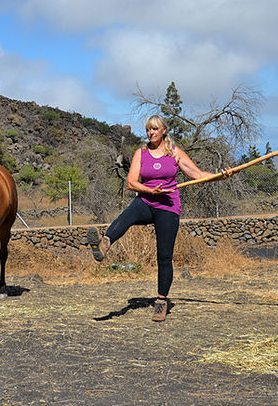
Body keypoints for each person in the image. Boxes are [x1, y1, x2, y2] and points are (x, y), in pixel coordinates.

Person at [86, 115, 233, 322]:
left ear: (164, 130)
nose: (150, 133)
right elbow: (130, 182)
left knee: (164, 256)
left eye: (154, 129)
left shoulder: (175, 153)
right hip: (147, 201)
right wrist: (149, 190)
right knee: (126, 216)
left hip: (168, 206)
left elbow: (198, 175)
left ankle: (161, 302)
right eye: (147, 130)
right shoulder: (141, 153)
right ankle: (105, 242)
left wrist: (221, 175)